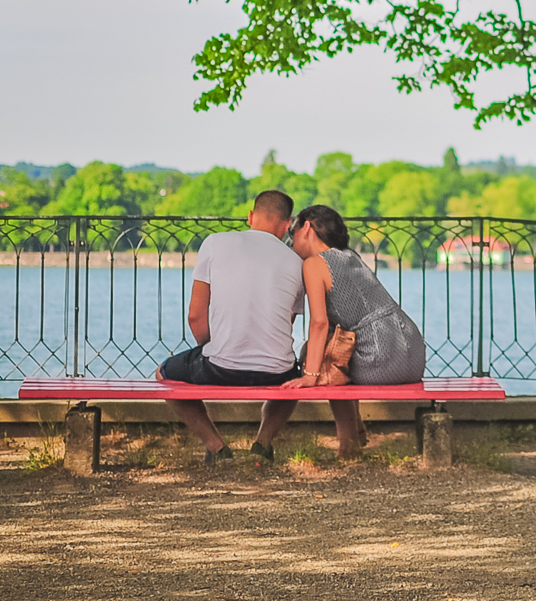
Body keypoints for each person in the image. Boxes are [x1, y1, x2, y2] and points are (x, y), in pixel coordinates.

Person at [155, 190, 305, 463]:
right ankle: (263, 442)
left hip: (220, 367)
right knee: (292, 378)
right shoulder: (298, 262)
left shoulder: (215, 243)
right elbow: (284, 325)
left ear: (250, 216)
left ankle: (215, 446)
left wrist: (215, 348)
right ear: (288, 225)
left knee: (164, 375)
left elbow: (195, 316)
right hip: (277, 372)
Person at [286, 203, 427, 457]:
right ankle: (356, 433)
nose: (291, 239)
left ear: (306, 228)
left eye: (292, 232)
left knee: (326, 367)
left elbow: (319, 323)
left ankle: (348, 446)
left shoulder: (314, 264)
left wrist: (310, 374)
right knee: (328, 355)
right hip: (414, 353)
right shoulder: (352, 257)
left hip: (382, 356)